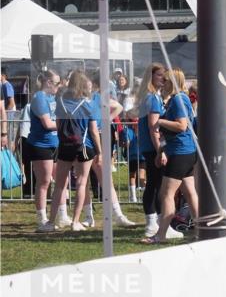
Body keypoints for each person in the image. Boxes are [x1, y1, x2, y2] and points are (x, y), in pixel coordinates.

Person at [144, 69, 198, 244]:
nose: (162, 82)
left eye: (165, 80)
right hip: (184, 151)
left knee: (166, 194)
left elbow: (182, 126)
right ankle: (202, 231)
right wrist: (161, 151)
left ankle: (161, 235)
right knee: (190, 193)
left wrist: (160, 121)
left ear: (172, 82)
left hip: (181, 153)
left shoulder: (178, 99)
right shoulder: (178, 99)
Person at [48, 70, 100, 231]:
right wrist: (100, 151)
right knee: (82, 183)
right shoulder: (87, 104)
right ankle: (75, 221)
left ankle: (50, 222)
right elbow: (93, 130)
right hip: (83, 146)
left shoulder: (61, 102)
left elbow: (57, 125)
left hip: (64, 146)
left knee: (59, 185)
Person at [81, 74, 135, 228]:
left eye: (91, 86)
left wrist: (107, 119)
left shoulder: (98, 98)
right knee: (83, 181)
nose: (89, 88)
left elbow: (119, 106)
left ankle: (118, 215)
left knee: (106, 180)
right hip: (84, 142)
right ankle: (88, 216)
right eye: (86, 86)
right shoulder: (79, 100)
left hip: (97, 139)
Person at [136, 64, 174, 238]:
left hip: (151, 146)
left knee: (157, 184)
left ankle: (158, 222)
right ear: (151, 76)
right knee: (154, 184)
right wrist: (160, 150)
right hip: (153, 147)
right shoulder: (152, 98)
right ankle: (152, 223)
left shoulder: (152, 97)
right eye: (160, 75)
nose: (163, 78)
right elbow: (154, 127)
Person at [26, 71, 63, 231]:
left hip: (55, 144)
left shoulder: (53, 97)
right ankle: (42, 217)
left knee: (61, 180)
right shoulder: (39, 98)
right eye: (56, 83)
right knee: (44, 181)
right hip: (41, 145)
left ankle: (63, 215)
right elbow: (48, 124)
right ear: (48, 82)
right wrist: (66, 126)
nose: (58, 86)